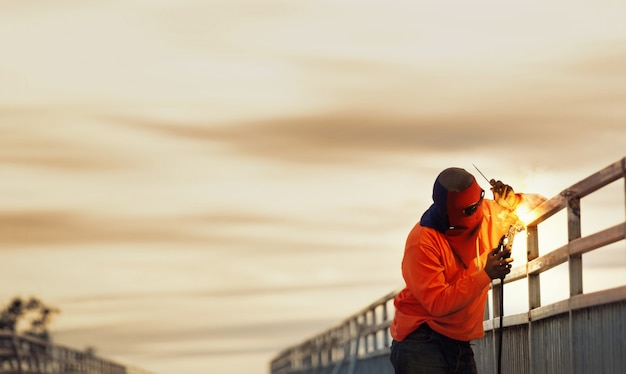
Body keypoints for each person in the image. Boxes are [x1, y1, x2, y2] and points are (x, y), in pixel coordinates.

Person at [389, 167, 534, 374]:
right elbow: (437, 303)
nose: (478, 211)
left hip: (459, 341)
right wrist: (485, 275)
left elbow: (546, 205)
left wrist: (513, 201)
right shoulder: (422, 242)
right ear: (450, 213)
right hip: (421, 339)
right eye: (470, 209)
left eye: (481, 199)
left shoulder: (488, 212)